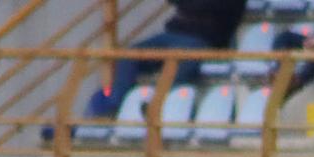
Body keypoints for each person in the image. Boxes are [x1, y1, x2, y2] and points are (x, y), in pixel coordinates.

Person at [85, 0, 248, 118]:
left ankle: (158, 101)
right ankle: (114, 104)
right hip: (173, 34)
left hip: (204, 39)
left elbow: (216, 10)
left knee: (182, 60)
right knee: (130, 54)